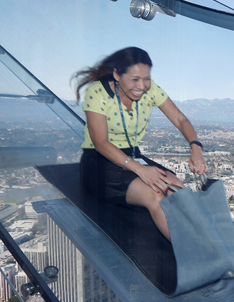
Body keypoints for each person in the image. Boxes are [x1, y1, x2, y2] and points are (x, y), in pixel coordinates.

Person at [74, 47, 207, 240]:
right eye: (135, 79)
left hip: (132, 156)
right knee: (155, 196)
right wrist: (140, 169)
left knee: (177, 189)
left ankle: (206, 242)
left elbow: (181, 120)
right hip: (99, 162)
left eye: (146, 78)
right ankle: (193, 254)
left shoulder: (150, 90)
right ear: (117, 75)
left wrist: (196, 147)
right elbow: (100, 142)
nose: (142, 85)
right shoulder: (98, 92)